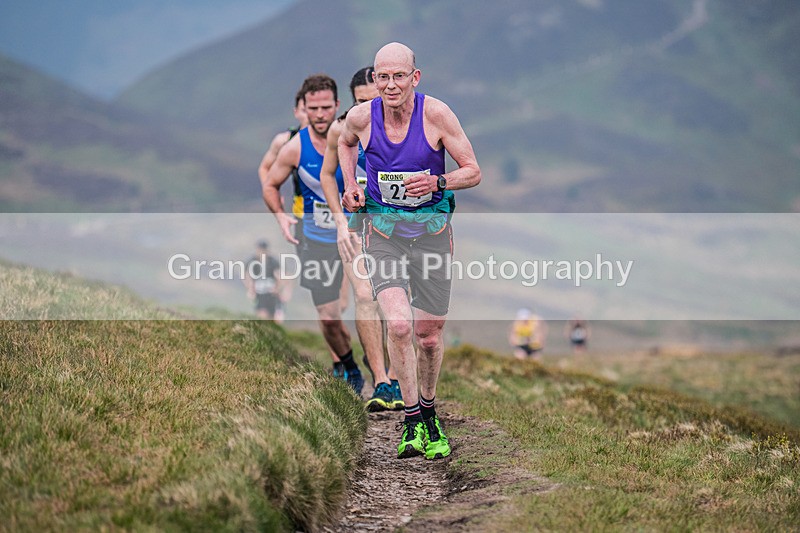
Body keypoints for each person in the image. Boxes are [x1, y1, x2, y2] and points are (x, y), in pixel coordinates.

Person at [339, 43, 481, 460]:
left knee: (429, 336)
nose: (390, 85)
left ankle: (431, 412)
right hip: (383, 232)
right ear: (375, 79)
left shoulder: (436, 115)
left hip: (432, 234)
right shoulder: (361, 117)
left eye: (399, 76)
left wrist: (438, 182)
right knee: (399, 325)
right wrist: (350, 185)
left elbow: (473, 171)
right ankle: (413, 419)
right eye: (383, 77)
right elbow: (345, 143)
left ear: (414, 78)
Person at [262, 73, 364, 394]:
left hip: (357, 236)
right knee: (329, 316)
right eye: (313, 108)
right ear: (303, 109)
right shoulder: (295, 147)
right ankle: (348, 366)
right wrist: (281, 217)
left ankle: (385, 377)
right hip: (315, 239)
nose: (320, 115)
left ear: (337, 105)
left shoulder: (355, 137)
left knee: (369, 301)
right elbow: (270, 183)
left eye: (326, 108)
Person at [320, 66, 403, 412]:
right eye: (359, 102)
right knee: (366, 295)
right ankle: (381, 382)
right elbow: (327, 175)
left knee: (396, 300)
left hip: (397, 224)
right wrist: (340, 223)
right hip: (355, 223)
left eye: (372, 100)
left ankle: (398, 378)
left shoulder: (402, 126)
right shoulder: (341, 128)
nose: (366, 108)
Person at [243, 239, 283, 322]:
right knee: (261, 314)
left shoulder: (273, 262)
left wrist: (277, 288)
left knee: (272, 316)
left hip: (270, 292)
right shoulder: (252, 261)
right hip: (259, 292)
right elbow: (246, 276)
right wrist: (250, 289)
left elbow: (278, 276)